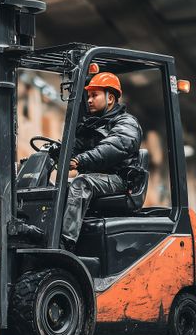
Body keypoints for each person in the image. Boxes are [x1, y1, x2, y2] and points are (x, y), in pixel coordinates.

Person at [61, 71, 143, 249]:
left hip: (120, 180)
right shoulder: (92, 125)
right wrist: (55, 152)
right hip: (100, 179)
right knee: (60, 187)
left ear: (110, 98)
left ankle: (65, 243)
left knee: (81, 183)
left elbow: (115, 147)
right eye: (88, 96)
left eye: (94, 95)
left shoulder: (126, 123)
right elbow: (73, 148)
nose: (89, 100)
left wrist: (80, 160)